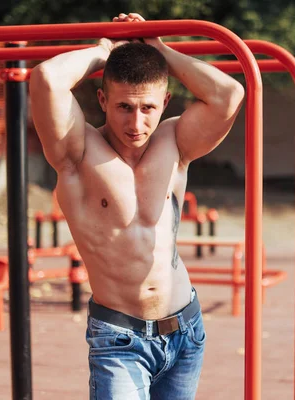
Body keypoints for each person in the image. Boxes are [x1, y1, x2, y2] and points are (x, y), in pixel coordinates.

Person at [29, 12, 245, 400]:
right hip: (120, 338)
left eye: (147, 108)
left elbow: (229, 95)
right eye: (124, 107)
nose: (136, 122)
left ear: (164, 101)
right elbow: (45, 78)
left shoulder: (174, 143)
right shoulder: (77, 153)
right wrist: (103, 51)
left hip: (186, 330)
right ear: (102, 100)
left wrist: (159, 48)